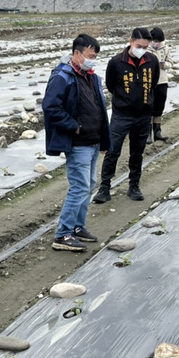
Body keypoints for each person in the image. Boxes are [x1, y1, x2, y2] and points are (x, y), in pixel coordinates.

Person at [43, 34, 110, 252]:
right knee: (79, 187)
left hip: (92, 140)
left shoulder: (91, 76)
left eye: (96, 56)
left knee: (89, 185)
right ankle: (63, 234)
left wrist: (103, 139)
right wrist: (74, 126)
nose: (93, 60)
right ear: (77, 54)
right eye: (90, 56)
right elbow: (51, 107)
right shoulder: (63, 76)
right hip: (78, 142)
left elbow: (99, 109)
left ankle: (78, 227)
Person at [93, 28, 160, 203]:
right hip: (121, 115)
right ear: (131, 41)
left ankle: (134, 186)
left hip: (143, 115)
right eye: (139, 45)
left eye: (145, 47)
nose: (142, 49)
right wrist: (124, 100)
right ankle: (104, 187)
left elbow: (153, 83)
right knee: (112, 150)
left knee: (137, 152)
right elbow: (110, 84)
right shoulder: (116, 62)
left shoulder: (152, 61)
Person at [148, 26, 174, 142]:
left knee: (159, 108)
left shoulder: (166, 48)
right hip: (149, 83)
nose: (157, 43)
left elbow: (170, 62)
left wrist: (165, 65)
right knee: (148, 108)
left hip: (162, 81)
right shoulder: (146, 49)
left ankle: (157, 133)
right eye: (155, 41)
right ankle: (147, 134)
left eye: (159, 41)